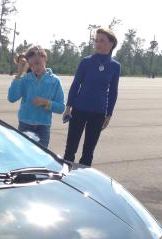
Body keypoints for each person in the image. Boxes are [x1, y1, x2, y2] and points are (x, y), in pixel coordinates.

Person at [62, 28, 120, 166]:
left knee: (88, 152)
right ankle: (64, 177)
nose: (98, 43)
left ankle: (83, 179)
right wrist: (68, 107)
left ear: (111, 44)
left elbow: (113, 91)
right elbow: (75, 85)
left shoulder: (115, 66)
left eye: (102, 41)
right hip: (79, 110)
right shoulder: (86, 62)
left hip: (98, 113)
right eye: (96, 40)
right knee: (70, 148)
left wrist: (109, 114)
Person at [7, 46, 65, 148]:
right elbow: (12, 98)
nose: (35, 67)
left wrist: (46, 102)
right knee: (23, 157)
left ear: (45, 58)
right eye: (31, 65)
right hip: (25, 125)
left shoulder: (55, 81)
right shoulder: (25, 79)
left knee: (40, 159)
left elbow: (61, 108)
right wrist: (19, 74)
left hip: (43, 128)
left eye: (37, 63)